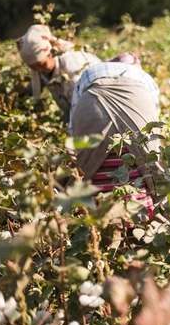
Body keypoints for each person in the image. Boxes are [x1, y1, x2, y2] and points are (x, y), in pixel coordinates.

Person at [69, 60, 162, 219]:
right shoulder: (143, 77)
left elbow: (72, 127)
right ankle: (138, 219)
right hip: (136, 100)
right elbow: (154, 115)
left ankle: (94, 221)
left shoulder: (90, 73)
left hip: (91, 103)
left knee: (89, 166)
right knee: (146, 166)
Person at [16, 24, 101, 123]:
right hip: (71, 110)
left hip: (95, 107)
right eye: (33, 67)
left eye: (41, 65)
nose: (39, 70)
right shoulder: (42, 68)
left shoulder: (71, 66)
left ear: (50, 53)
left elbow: (84, 105)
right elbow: (33, 86)